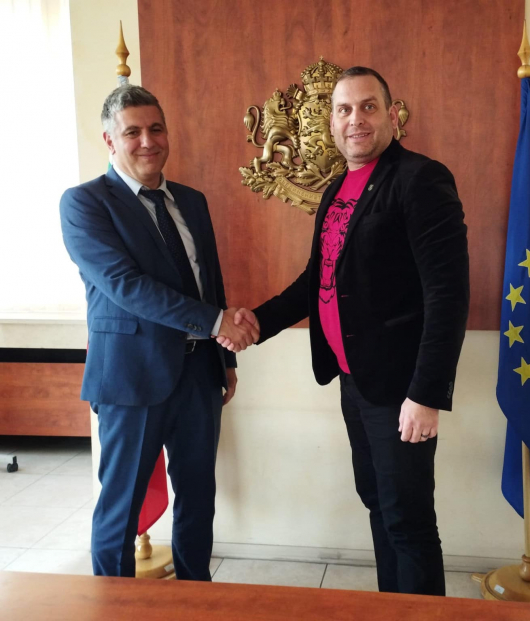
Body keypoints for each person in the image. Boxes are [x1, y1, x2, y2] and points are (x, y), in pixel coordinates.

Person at [219, 67, 469, 595]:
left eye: (368, 106)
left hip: (401, 390)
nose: (357, 119)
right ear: (331, 124)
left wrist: (426, 395)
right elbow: (318, 279)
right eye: (345, 109)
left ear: (392, 115)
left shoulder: (421, 179)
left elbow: (448, 297)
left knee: (408, 522)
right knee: (378, 504)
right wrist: (257, 323)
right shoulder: (336, 188)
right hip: (354, 384)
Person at [60, 85, 258, 579]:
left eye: (156, 129)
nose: (147, 141)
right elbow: (125, 286)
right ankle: (116, 606)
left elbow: (210, 281)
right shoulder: (84, 203)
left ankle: (195, 596)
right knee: (121, 508)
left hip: (199, 375)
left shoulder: (191, 201)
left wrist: (225, 358)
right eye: (133, 132)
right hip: (131, 379)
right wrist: (217, 323)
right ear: (110, 140)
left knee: (198, 497)